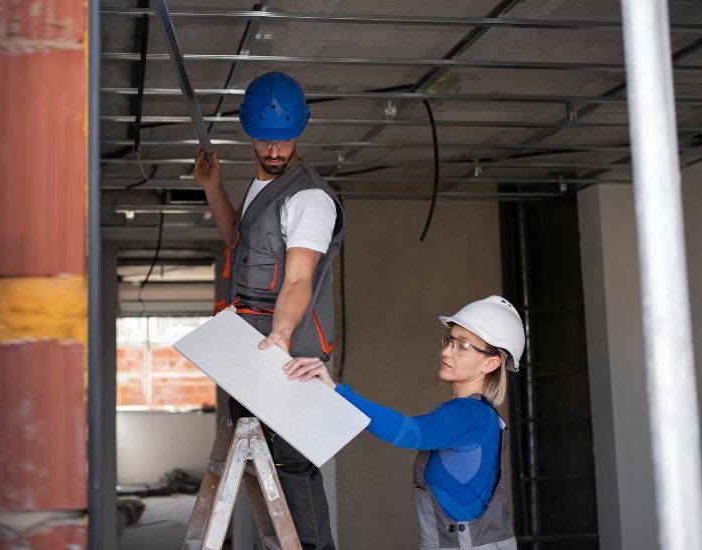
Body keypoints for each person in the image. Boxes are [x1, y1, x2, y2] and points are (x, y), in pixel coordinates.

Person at [194, 71, 343, 549]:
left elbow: (298, 278)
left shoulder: (309, 198)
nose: (275, 151)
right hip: (250, 353)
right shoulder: (263, 187)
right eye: (264, 140)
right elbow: (239, 243)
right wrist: (213, 187)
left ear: (301, 130)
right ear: (247, 132)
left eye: (284, 140)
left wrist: (279, 335)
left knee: (292, 471)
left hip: (286, 355)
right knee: (265, 471)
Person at [283, 296, 525, 550]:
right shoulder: (482, 414)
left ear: (491, 363)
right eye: (449, 340)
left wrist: (337, 391)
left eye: (463, 346)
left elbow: (410, 433)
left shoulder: (468, 414)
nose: (446, 351)